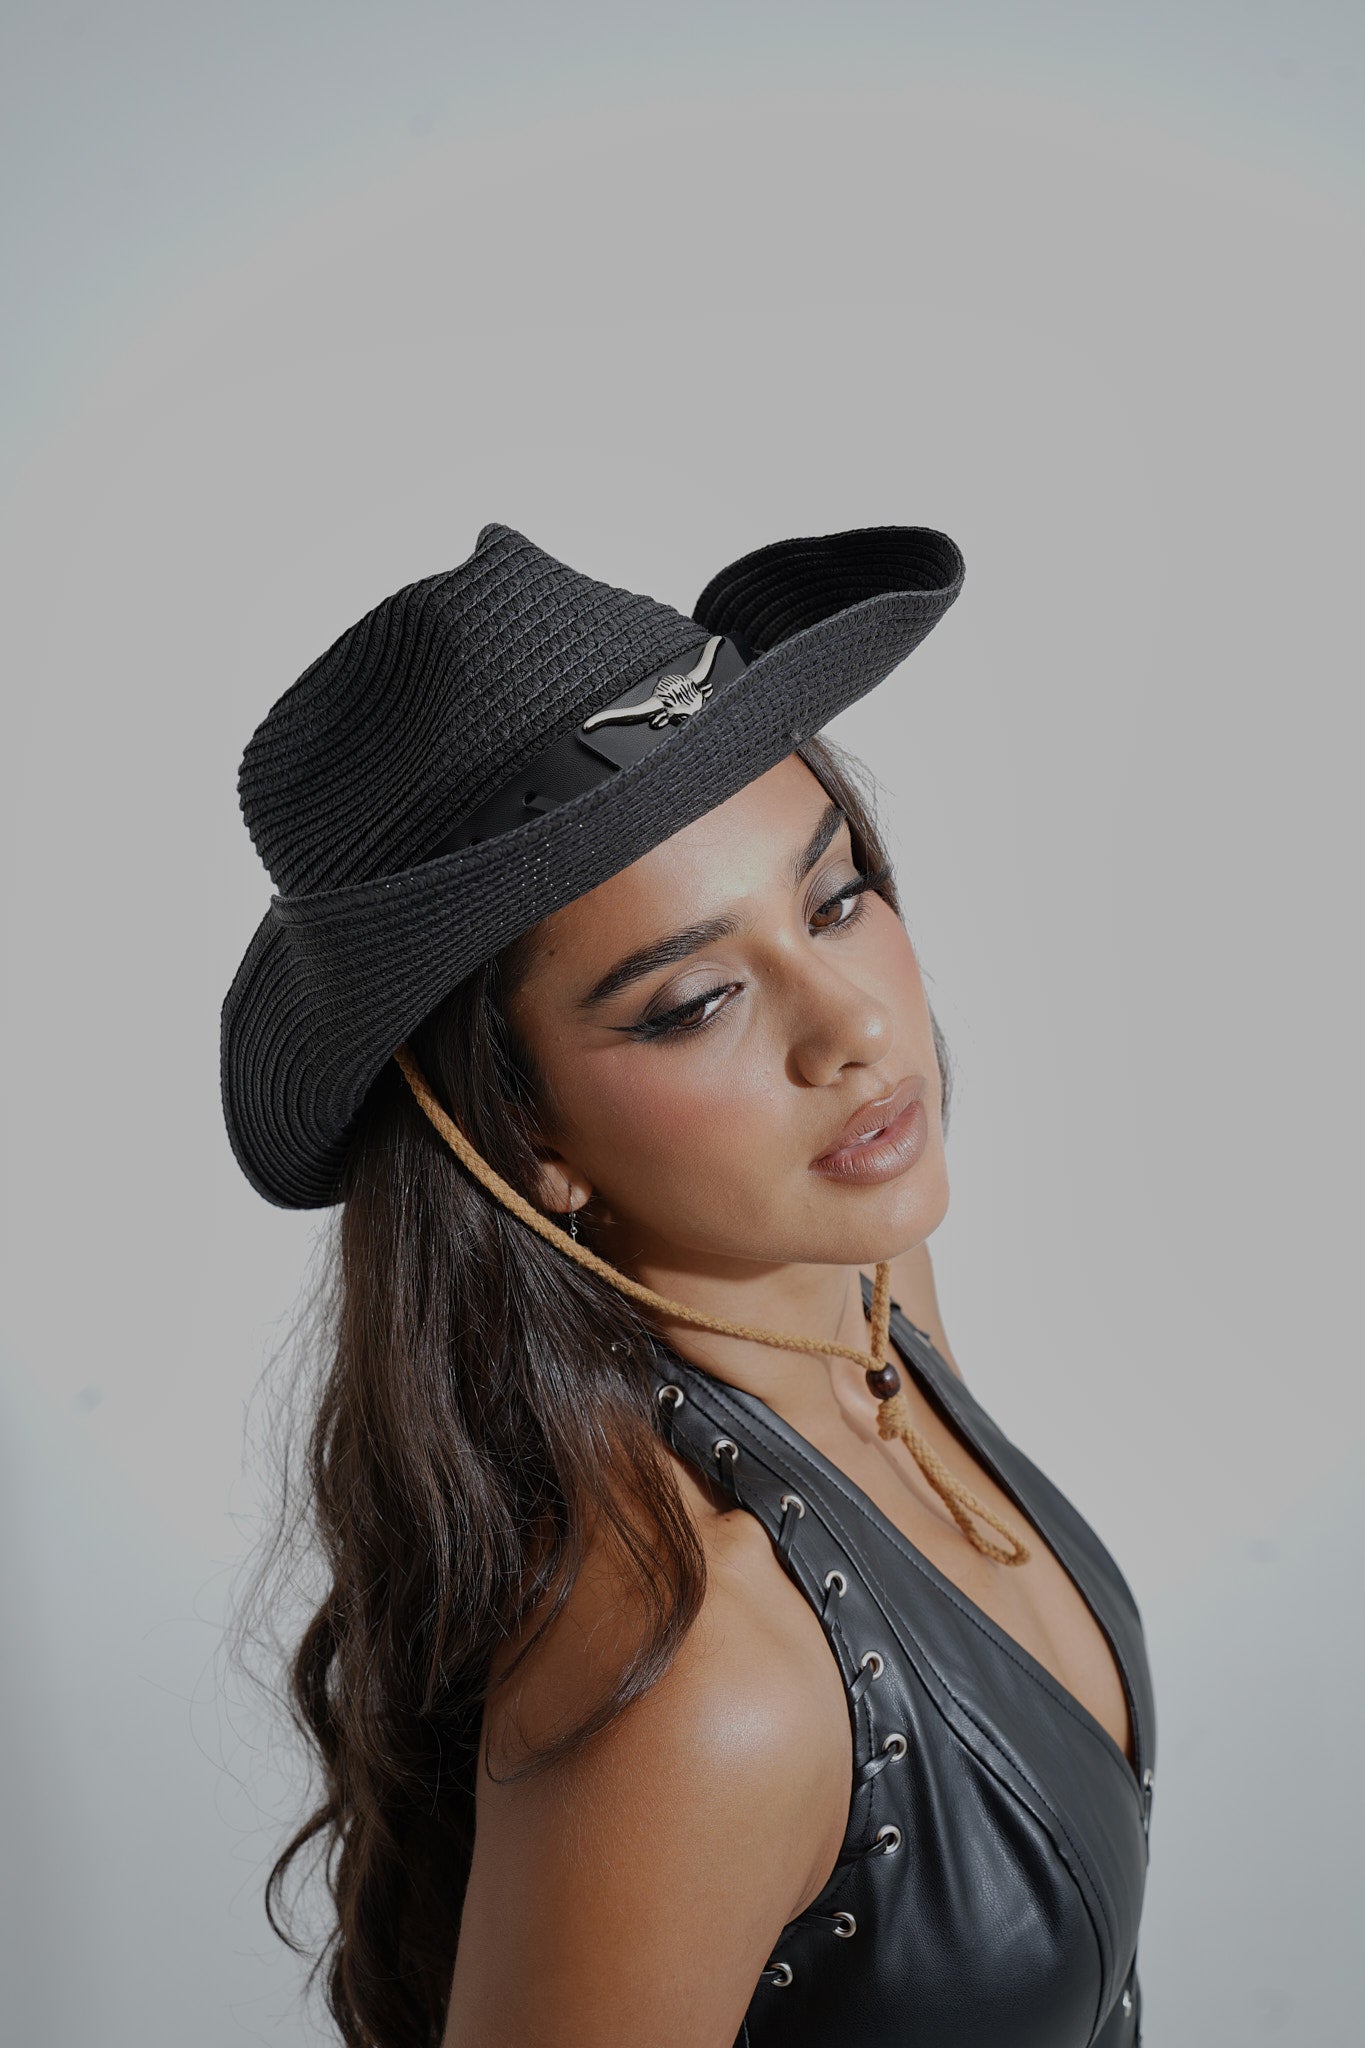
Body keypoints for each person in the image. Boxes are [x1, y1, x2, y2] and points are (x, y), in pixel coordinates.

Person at [222, 520, 1155, 2048]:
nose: (851, 1030)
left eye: (836, 897)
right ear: (525, 1135)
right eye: (698, 998)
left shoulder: (862, 1289)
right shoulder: (705, 1688)